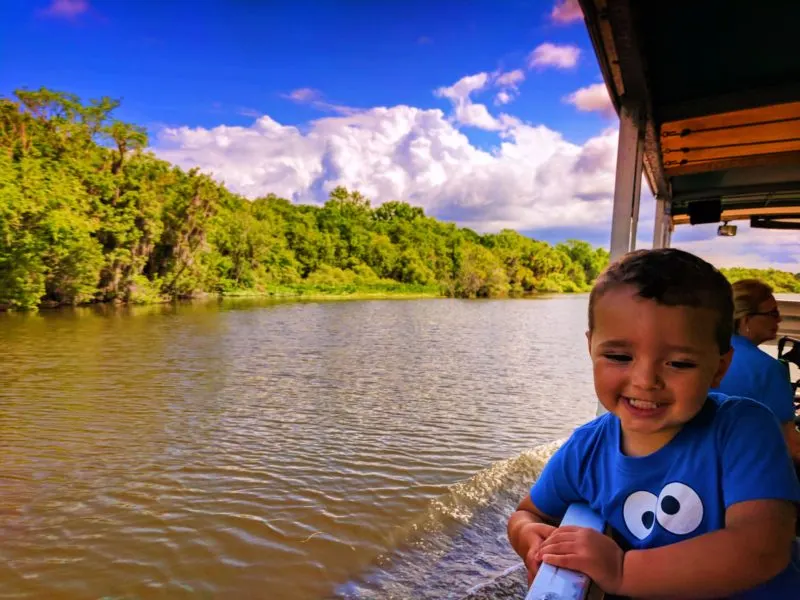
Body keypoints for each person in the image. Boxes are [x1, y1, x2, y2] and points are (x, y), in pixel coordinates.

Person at [507, 248, 800, 599]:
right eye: (618, 356)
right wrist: (530, 538)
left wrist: (622, 571)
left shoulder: (743, 429)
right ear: (591, 349)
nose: (645, 381)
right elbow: (528, 513)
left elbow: (762, 549)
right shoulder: (586, 449)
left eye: (678, 363)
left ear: (719, 368)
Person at [712, 279, 800, 466]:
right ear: (746, 320)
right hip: (745, 470)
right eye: (772, 314)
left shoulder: (703, 352)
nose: (779, 320)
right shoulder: (768, 368)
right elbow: (791, 447)